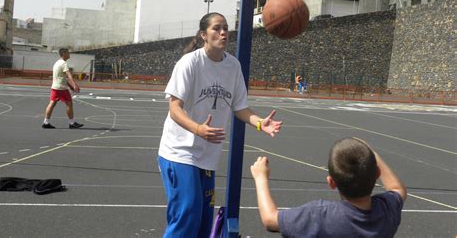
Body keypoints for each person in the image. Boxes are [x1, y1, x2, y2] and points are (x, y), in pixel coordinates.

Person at [158, 12, 283, 238]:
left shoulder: (233, 66)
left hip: (207, 155)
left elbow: (240, 107)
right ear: (203, 35)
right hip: (179, 152)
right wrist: (198, 129)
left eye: (226, 28)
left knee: (205, 223)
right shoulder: (190, 63)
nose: (223, 32)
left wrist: (259, 123)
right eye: (217, 28)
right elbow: (174, 109)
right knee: (187, 214)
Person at [250, 137, 407, 238]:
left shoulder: (319, 215)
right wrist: (369, 152)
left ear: (331, 182)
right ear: (377, 173)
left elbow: (270, 220)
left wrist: (260, 178)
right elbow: (397, 189)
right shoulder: (387, 210)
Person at [42, 48, 83, 129]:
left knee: (52, 104)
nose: (69, 54)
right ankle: (72, 123)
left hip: (55, 87)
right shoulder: (64, 63)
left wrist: (71, 87)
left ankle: (46, 122)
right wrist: (74, 85)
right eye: (68, 53)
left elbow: (62, 77)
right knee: (69, 104)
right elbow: (68, 74)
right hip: (61, 88)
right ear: (64, 53)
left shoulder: (57, 63)